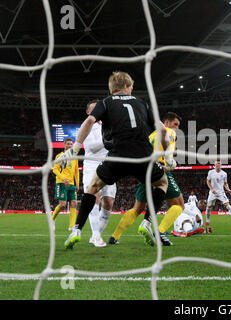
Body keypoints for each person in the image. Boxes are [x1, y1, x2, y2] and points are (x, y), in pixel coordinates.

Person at [61, 71, 171, 249]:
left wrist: (75, 147)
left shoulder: (106, 102)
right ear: (127, 86)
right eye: (132, 87)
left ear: (112, 88)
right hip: (143, 155)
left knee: (93, 188)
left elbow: (89, 121)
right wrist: (167, 156)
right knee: (162, 184)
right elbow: (163, 131)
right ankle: (147, 223)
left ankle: (76, 230)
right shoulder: (141, 103)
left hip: (117, 154)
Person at [108, 112, 184, 246]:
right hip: (160, 169)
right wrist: (168, 162)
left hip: (145, 169)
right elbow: (168, 144)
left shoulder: (150, 136)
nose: (176, 128)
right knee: (179, 204)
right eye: (175, 124)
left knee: (137, 208)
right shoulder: (169, 132)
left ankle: (114, 237)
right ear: (166, 123)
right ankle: (159, 231)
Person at [82, 99, 117, 247]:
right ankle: (96, 236)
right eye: (94, 109)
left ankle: (96, 235)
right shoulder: (87, 126)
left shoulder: (109, 125)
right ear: (88, 112)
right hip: (92, 165)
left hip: (109, 165)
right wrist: (109, 138)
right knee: (94, 197)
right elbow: (91, 147)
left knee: (109, 202)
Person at [52, 138, 79, 231]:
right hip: (61, 183)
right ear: (64, 145)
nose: (69, 146)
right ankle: (52, 219)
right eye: (68, 144)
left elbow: (76, 171)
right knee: (63, 205)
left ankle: (72, 226)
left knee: (74, 203)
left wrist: (77, 184)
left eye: (71, 144)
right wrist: (63, 179)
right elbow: (55, 169)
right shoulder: (59, 156)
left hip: (71, 184)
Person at [204, 160, 231, 227]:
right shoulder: (211, 172)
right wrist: (211, 189)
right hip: (212, 193)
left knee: (228, 206)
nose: (218, 165)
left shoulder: (224, 174)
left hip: (221, 192)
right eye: (217, 163)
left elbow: (225, 184)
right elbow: (208, 181)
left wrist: (228, 189)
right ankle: (207, 221)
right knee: (208, 207)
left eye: (219, 163)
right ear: (215, 165)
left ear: (221, 165)